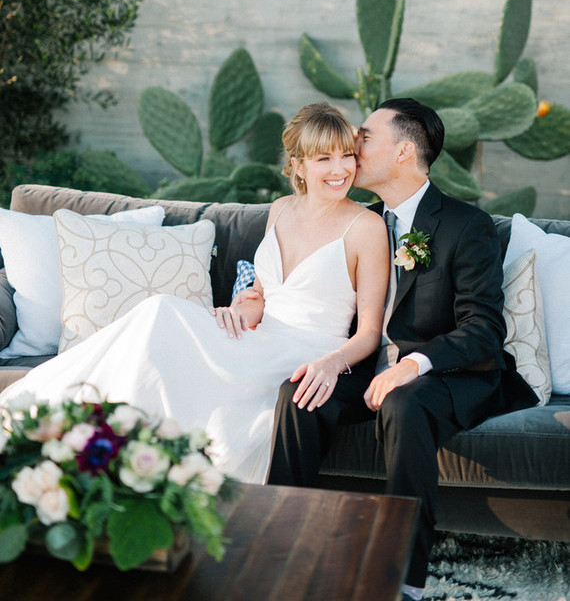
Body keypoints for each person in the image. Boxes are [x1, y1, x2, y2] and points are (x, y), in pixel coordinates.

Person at [0, 103, 389, 486]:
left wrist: (332, 364)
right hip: (258, 337)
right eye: (324, 158)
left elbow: (369, 333)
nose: (340, 169)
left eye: (347, 156)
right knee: (159, 312)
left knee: (167, 327)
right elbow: (262, 292)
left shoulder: (366, 227)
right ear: (299, 165)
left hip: (306, 352)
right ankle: (84, 432)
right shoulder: (281, 209)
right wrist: (240, 309)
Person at [266, 98, 538, 601]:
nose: (353, 146)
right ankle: (283, 548)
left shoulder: (465, 225)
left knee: (403, 399)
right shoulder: (357, 221)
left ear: (405, 150)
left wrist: (413, 364)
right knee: (298, 393)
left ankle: (402, 579)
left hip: (448, 376)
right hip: (368, 369)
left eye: (365, 137)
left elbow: (483, 329)